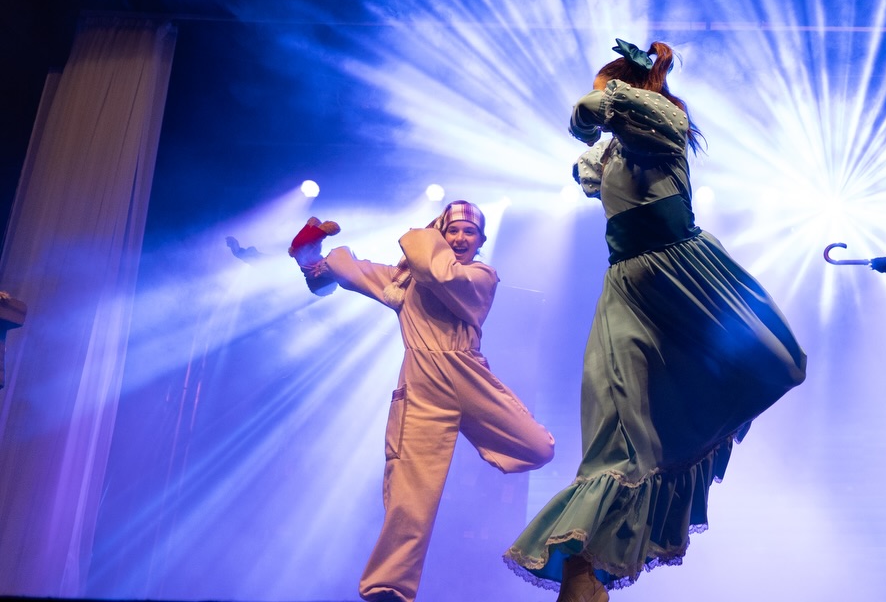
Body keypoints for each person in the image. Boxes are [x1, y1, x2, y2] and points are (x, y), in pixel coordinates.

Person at [505, 39, 807, 601]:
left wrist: (611, 94)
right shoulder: (619, 146)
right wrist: (600, 117)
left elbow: (588, 112)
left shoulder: (665, 123)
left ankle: (685, 427)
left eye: (610, 86)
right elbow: (585, 154)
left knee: (778, 361)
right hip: (629, 284)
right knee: (621, 432)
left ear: (629, 88)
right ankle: (591, 556)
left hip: (681, 270)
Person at [293, 200, 555, 602]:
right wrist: (313, 259)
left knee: (537, 447)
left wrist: (425, 236)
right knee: (410, 496)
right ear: (443, 235)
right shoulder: (404, 282)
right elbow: (351, 272)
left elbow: (438, 273)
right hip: (422, 384)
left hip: (467, 375)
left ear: (481, 240)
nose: (461, 238)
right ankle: (388, 588)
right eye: (453, 231)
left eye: (469, 232)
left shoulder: (480, 276)